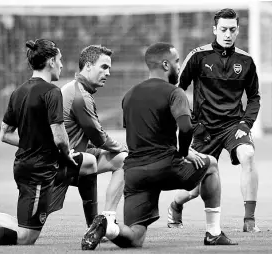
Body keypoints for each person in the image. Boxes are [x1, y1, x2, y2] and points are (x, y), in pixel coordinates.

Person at [81, 42, 238, 250]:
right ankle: (214, 233)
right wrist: (184, 153)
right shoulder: (175, 93)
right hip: (166, 166)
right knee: (211, 165)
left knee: (135, 237)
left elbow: (138, 132)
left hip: (135, 173)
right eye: (177, 62)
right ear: (166, 65)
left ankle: (108, 228)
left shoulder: (129, 96)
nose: (179, 67)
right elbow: (185, 127)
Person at [0, 39, 98, 245]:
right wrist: (65, 153)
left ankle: (93, 224)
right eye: (60, 60)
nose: (63, 65)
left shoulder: (18, 92)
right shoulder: (52, 92)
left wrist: (35, 144)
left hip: (33, 164)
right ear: (50, 62)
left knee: (90, 162)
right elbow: (59, 136)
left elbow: (5, 134)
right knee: (25, 236)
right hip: (38, 171)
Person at [167, 8, 261, 233]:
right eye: (223, 30)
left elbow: (254, 97)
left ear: (238, 30)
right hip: (204, 129)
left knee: (248, 154)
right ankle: (175, 204)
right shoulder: (198, 56)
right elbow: (176, 91)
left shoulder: (246, 61)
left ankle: (249, 221)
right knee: (194, 190)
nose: (227, 34)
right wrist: (189, 121)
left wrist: (246, 123)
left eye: (232, 30)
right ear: (214, 30)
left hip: (233, 126)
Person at [61, 45, 128, 230]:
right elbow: (99, 137)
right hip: (63, 161)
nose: (108, 72)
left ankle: (99, 223)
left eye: (109, 68)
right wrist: (121, 147)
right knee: (124, 159)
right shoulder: (80, 96)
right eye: (104, 67)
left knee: (112, 159)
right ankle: (105, 221)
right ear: (88, 66)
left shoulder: (73, 88)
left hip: (73, 154)